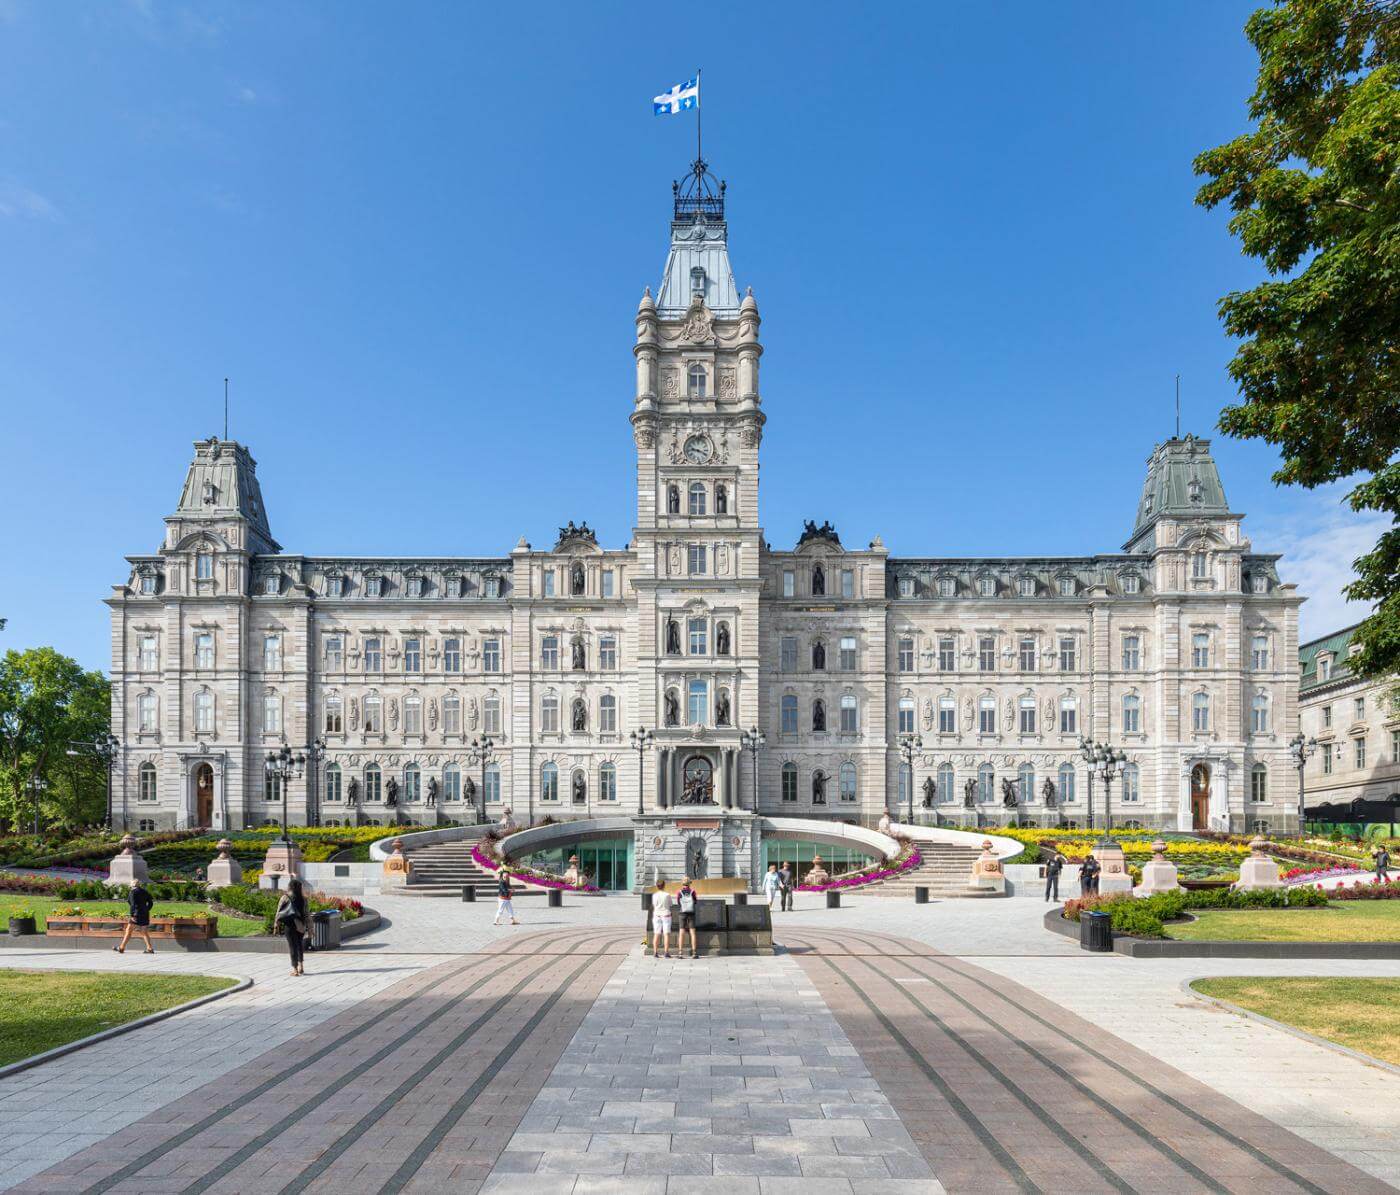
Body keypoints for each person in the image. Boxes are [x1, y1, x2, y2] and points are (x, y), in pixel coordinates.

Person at [274, 878, 309, 976]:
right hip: (301, 925)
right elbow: (307, 914)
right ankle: (301, 966)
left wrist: (276, 924)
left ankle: (295, 969)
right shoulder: (304, 899)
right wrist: (310, 929)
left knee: (292, 946)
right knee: (299, 945)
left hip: (289, 925)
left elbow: (279, 912)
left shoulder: (285, 897)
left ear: (290, 887)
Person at [114, 879, 155, 955]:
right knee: (144, 932)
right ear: (139, 885)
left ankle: (122, 947)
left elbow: (132, 904)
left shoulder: (132, 892)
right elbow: (151, 902)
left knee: (128, 930)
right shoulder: (144, 891)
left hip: (136, 915)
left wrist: (133, 915)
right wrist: (146, 909)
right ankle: (149, 948)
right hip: (145, 914)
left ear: (132, 885)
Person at [675, 876, 698, 959]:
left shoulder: (679, 892)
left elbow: (678, 902)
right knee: (692, 933)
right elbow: (695, 901)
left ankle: (680, 953)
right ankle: (694, 953)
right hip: (691, 913)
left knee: (681, 932)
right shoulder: (693, 891)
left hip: (682, 913)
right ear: (689, 883)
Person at [651, 879, 674, 958]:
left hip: (657, 915)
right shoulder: (667, 895)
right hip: (666, 915)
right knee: (666, 934)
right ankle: (666, 952)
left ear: (657, 886)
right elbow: (671, 904)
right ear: (664, 885)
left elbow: (654, 905)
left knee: (656, 934)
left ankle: (655, 952)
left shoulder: (655, 895)